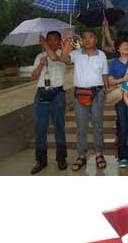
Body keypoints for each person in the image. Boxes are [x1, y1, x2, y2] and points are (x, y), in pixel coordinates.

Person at [47, 28, 109, 172]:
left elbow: (105, 74)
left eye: (90, 37)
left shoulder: (101, 55)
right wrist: (68, 40)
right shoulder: (76, 54)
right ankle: (82, 155)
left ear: (95, 39)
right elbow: (62, 58)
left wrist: (106, 90)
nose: (87, 40)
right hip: (80, 94)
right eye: (84, 37)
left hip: (97, 93)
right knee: (81, 127)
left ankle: (99, 153)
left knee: (98, 125)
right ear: (81, 40)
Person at [32, 32, 68, 173]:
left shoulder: (64, 55)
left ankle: (61, 158)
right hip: (41, 94)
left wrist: (45, 45)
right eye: (50, 40)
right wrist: (41, 65)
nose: (53, 42)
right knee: (40, 129)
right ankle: (41, 160)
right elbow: (33, 76)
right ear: (47, 41)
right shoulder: (39, 56)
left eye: (55, 40)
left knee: (59, 127)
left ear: (59, 41)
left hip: (57, 94)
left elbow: (54, 57)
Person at [107, 38, 128, 169]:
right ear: (118, 49)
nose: (126, 46)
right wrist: (123, 79)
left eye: (127, 44)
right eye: (123, 45)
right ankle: (123, 156)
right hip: (121, 98)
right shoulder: (114, 63)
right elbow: (110, 81)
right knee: (123, 126)